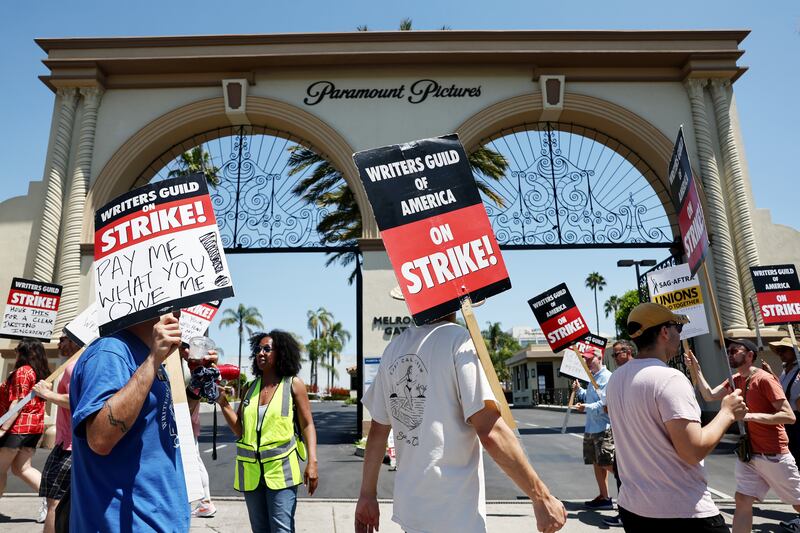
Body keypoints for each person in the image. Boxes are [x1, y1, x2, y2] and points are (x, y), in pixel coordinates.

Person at [355, 293, 566, 533]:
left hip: (411, 512)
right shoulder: (459, 341)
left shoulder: (394, 348)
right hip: (454, 514)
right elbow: (490, 431)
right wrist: (541, 497)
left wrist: (367, 495)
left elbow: (378, 431)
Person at [606, 302, 747, 532]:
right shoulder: (670, 378)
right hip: (682, 510)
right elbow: (692, 451)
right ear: (664, 332)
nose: (679, 336)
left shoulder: (616, 379)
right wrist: (726, 413)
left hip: (634, 509)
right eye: (677, 330)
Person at [69, 313, 190, 532]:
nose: (181, 307)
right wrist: (153, 360)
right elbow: (100, 438)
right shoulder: (109, 351)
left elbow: (160, 423)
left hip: (156, 518)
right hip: (125, 522)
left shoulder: (145, 354)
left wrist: (197, 388)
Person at [686, 337, 800, 533]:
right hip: (749, 455)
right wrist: (695, 368)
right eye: (728, 351)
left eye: (734, 351)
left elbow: (788, 416)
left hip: (774, 455)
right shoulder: (735, 380)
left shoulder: (764, 379)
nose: (729, 354)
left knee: (797, 503)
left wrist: (748, 416)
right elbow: (709, 395)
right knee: (742, 500)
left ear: (749, 356)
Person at [217, 330, 318, 533]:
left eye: (267, 349)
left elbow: (307, 424)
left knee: (281, 529)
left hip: (282, 473)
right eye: (258, 349)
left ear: (280, 353)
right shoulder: (250, 387)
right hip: (251, 473)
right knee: (259, 530)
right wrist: (223, 403)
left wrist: (312, 462)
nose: (261, 353)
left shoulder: (293, 384)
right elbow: (240, 430)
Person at [32, 331, 80, 533]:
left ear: (74, 341)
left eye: (63, 339)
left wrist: (47, 394)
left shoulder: (72, 366)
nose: (58, 343)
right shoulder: (73, 364)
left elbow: (76, 400)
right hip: (70, 444)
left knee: (54, 504)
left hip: (68, 447)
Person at [0, 338, 49, 522]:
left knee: (0, 469)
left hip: (18, 427)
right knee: (22, 468)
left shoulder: (22, 372)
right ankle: (50, 500)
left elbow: (17, 403)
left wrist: (3, 428)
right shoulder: (38, 373)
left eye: (18, 351)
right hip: (33, 427)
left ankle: (51, 500)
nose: (15, 355)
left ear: (25, 353)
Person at [571, 346, 614, 510]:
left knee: (607, 463)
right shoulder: (592, 378)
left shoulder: (606, 377)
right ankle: (604, 497)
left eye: (589, 359)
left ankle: (630, 486)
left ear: (599, 358)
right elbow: (590, 398)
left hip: (603, 427)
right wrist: (579, 391)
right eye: (585, 359)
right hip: (592, 427)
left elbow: (603, 403)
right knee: (597, 463)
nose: (586, 362)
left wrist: (586, 407)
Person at [178, 343, 218, 518]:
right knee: (193, 460)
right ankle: (205, 502)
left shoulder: (189, 366)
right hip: (186, 419)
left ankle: (206, 502)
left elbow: (213, 380)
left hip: (186, 420)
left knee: (194, 460)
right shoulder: (178, 364)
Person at [602, 339, 636, 528]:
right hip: (623, 435)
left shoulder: (632, 373)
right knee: (622, 475)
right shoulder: (617, 376)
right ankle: (625, 513)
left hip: (633, 435)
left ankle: (628, 515)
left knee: (626, 476)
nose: (614, 358)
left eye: (617, 354)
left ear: (628, 351)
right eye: (613, 355)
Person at [762, 337, 800, 464]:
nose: (780, 353)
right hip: (788, 420)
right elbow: (781, 388)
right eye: (778, 350)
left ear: (794, 351)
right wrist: (770, 373)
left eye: (783, 350)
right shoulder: (785, 370)